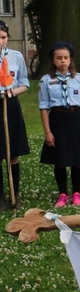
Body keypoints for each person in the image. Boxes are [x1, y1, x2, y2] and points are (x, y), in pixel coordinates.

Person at [39, 42, 80, 208]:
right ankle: (63, 194)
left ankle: (77, 193)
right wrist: (47, 132)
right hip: (57, 119)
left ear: (70, 60)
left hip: (75, 119)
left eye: (66, 58)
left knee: (77, 160)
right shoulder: (47, 80)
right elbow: (43, 107)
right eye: (59, 58)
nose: (63, 61)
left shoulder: (79, 79)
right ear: (53, 61)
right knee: (60, 159)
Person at [0, 20, 30, 211]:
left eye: (2, 37)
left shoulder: (16, 57)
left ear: (7, 37)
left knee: (13, 153)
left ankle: (14, 193)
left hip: (10, 104)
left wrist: (12, 92)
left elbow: (24, 83)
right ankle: (0, 196)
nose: (0, 41)